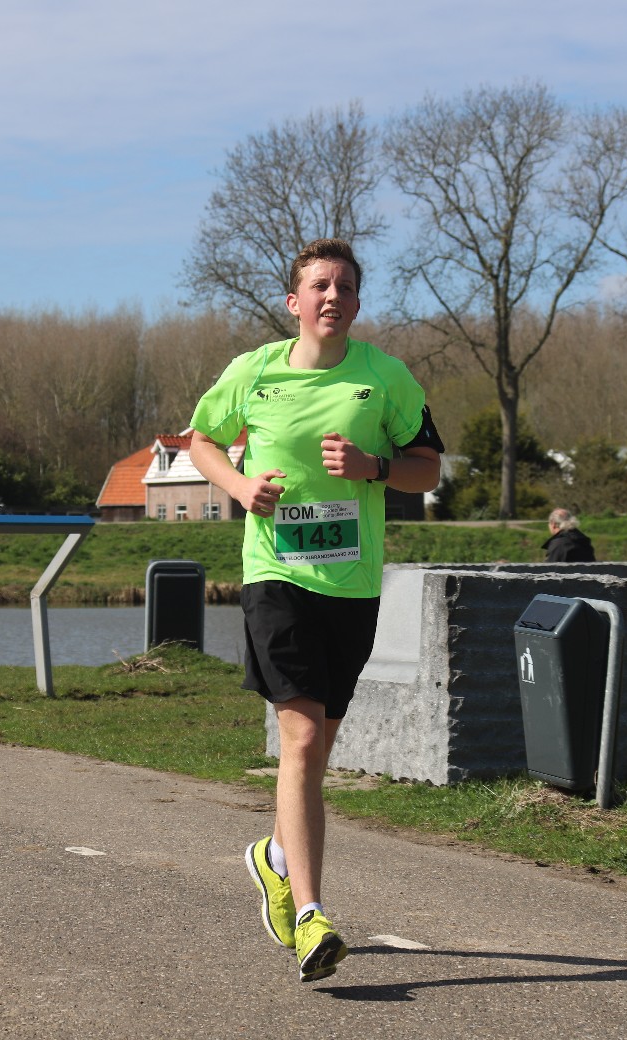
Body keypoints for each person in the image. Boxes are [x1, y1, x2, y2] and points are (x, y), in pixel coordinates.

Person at [189, 238, 444, 983]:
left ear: (357, 302)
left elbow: (429, 469)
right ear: (294, 301)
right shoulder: (254, 371)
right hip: (276, 575)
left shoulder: (385, 378)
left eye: (346, 287)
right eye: (320, 286)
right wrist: (239, 487)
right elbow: (201, 442)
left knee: (318, 748)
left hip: (352, 585)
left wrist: (375, 468)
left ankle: (272, 856)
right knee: (299, 739)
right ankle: (311, 916)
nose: (333, 296)